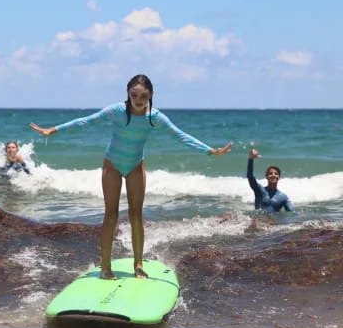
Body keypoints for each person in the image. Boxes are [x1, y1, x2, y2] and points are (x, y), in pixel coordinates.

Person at [30, 74, 233, 280]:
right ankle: (106, 267)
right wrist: (53, 130)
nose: (138, 99)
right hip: (112, 164)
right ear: (128, 93)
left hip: (136, 165)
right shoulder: (116, 111)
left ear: (151, 95)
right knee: (111, 215)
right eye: (134, 94)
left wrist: (210, 151)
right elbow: (86, 121)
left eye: (143, 96)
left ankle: (138, 263)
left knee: (136, 215)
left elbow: (180, 136)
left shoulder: (155, 117)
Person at [247, 147, 294, 212]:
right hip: (258, 220)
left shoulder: (283, 197)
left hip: (273, 222)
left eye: (276, 173)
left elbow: (292, 213)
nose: (273, 175)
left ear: (279, 177)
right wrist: (251, 159)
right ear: (266, 176)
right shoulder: (259, 190)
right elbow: (250, 176)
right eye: (270, 173)